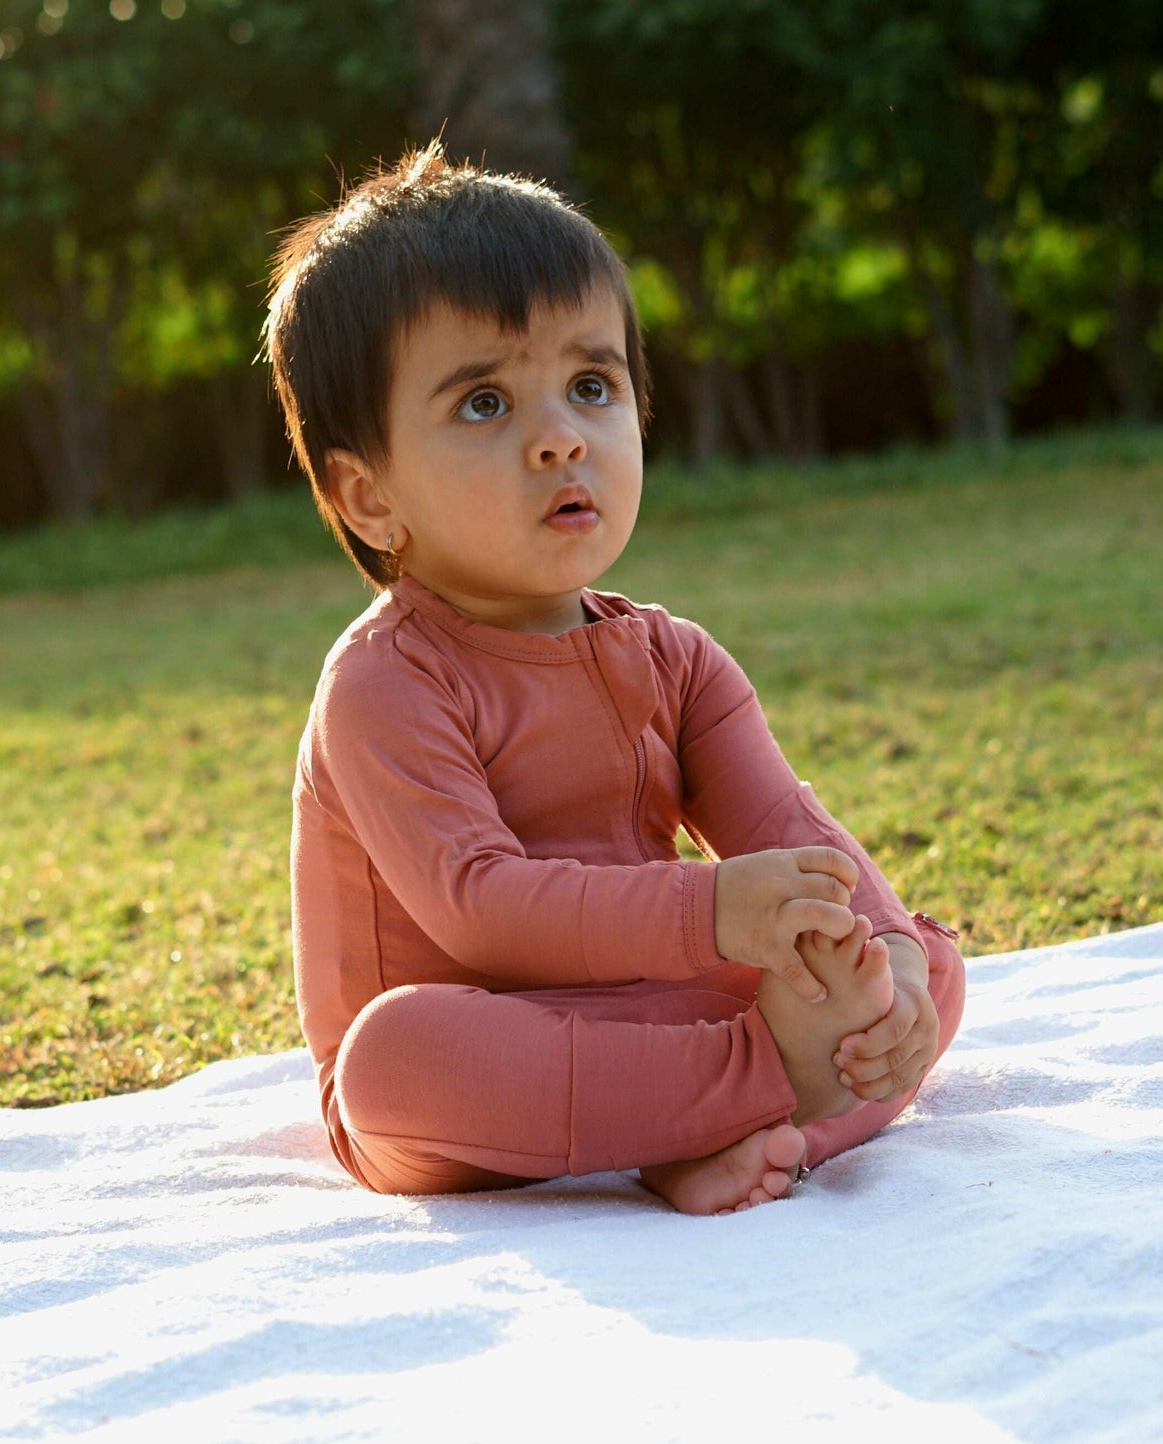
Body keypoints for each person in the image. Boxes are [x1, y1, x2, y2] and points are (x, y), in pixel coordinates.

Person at [264, 141, 966, 1216]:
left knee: (923, 959)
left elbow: (789, 829)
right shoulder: (383, 681)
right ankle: (763, 1092)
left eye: (590, 385)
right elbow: (480, 909)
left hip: (654, 1012)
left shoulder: (676, 659)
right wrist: (714, 912)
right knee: (391, 1064)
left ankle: (717, 1111)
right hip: (488, 1045)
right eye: (485, 405)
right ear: (367, 496)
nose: (559, 440)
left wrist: (884, 963)